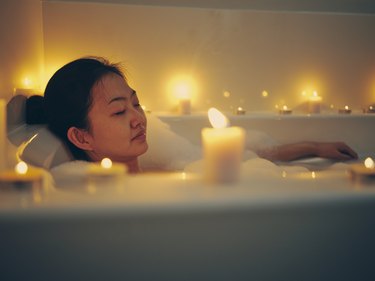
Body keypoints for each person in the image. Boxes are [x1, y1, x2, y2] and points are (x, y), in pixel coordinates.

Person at [24, 56, 357, 173]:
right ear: (81, 137)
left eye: (136, 104)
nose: (139, 118)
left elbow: (247, 158)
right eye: (119, 112)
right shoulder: (98, 201)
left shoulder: (168, 165)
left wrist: (314, 146)